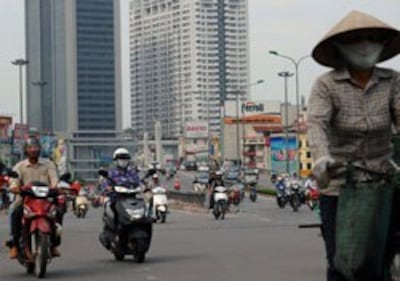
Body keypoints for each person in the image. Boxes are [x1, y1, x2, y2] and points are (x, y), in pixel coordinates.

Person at [307, 10, 400, 281]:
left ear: (382, 44)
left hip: (384, 180)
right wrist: (322, 158)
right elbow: (316, 124)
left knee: (384, 255)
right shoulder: (326, 85)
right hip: (340, 184)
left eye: (371, 38)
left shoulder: (392, 81)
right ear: (340, 48)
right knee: (341, 263)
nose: (365, 45)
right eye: (356, 40)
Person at [7, 136, 60, 258]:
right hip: (25, 200)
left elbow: (54, 179)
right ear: (26, 150)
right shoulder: (19, 166)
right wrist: (14, 186)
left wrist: (56, 187)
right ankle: (14, 245)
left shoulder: (48, 164)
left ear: (40, 149)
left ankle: (54, 244)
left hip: (45, 200)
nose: (34, 150)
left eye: (36, 147)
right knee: (14, 211)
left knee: (59, 211)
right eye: (30, 147)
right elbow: (14, 180)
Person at [102, 148, 141, 227]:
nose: (123, 161)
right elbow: (105, 184)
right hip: (117, 197)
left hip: (132, 196)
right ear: (116, 160)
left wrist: (143, 187)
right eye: (121, 159)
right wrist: (108, 188)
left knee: (142, 206)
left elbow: (138, 181)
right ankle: (114, 226)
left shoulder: (132, 171)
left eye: (125, 159)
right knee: (111, 206)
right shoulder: (111, 172)